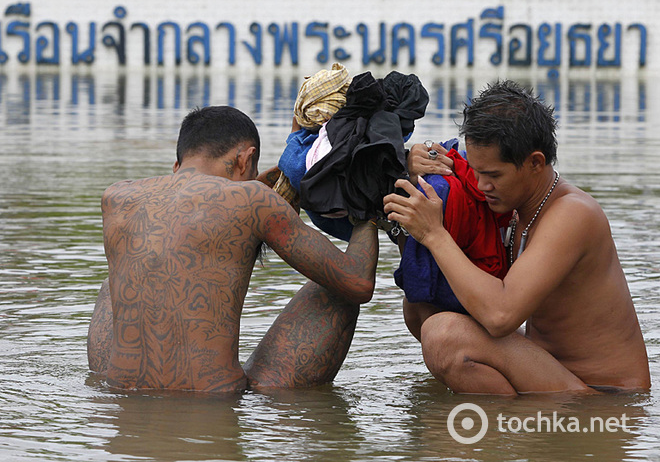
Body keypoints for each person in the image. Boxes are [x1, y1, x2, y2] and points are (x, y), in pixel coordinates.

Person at [383, 80, 650, 395]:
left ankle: (508, 436)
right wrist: (415, 168)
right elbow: (436, 274)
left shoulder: (573, 214)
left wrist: (434, 234)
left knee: (444, 335)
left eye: (493, 175)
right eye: (476, 170)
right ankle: (507, 435)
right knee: (420, 306)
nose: (481, 185)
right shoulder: (511, 204)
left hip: (605, 398)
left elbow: (500, 317)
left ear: (535, 162)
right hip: (555, 373)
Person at [87, 105, 378, 393]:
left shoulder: (117, 197)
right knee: (338, 287)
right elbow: (358, 282)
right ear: (245, 159)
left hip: (121, 390)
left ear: (177, 166)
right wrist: (368, 208)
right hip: (215, 398)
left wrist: (261, 190)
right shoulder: (253, 198)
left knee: (112, 285)